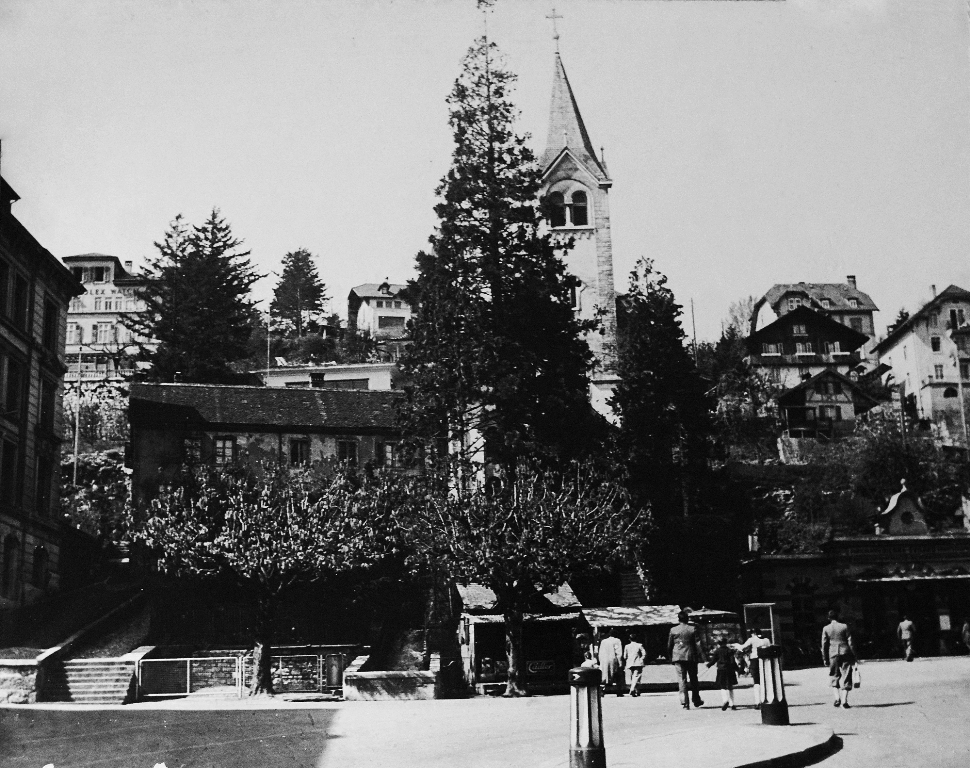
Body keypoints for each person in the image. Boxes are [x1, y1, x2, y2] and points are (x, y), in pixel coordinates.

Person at [822, 609, 859, 708]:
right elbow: (850, 642)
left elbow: (824, 644)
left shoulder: (826, 628)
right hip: (845, 652)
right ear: (838, 617)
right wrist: (854, 655)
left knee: (834, 675)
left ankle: (837, 698)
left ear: (829, 618)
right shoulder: (845, 626)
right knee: (847, 675)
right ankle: (844, 700)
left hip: (833, 653)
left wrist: (825, 658)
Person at [668, 610, 704, 709]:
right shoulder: (692, 629)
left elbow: (669, 645)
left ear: (678, 619)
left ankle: (684, 702)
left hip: (678, 657)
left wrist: (671, 657)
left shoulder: (673, 630)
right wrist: (702, 656)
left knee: (681, 680)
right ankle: (696, 700)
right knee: (693, 679)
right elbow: (698, 644)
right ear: (687, 619)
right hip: (691, 657)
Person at [738, 627, 770, 708]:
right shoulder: (766, 640)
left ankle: (757, 702)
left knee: (756, 682)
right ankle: (765, 699)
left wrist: (736, 646)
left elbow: (742, 647)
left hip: (755, 660)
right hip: (765, 660)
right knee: (764, 681)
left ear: (753, 633)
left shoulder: (751, 639)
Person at [707, 636, 738, 711]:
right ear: (726, 643)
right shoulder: (729, 651)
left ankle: (725, 700)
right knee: (730, 686)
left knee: (722, 686)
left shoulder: (717, 651)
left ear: (719, 643)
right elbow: (732, 661)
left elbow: (714, 660)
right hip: (730, 670)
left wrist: (708, 665)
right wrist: (737, 669)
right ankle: (732, 704)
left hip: (721, 670)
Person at [597, 628, 625, 696]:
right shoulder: (617, 641)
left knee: (604, 675)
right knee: (617, 675)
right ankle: (619, 691)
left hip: (604, 660)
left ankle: (602, 690)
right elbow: (618, 652)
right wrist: (620, 663)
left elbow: (600, 652)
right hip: (613, 660)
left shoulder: (603, 641)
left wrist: (600, 661)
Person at [624, 632, 646, 697]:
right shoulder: (639, 645)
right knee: (637, 676)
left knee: (633, 676)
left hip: (630, 663)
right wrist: (641, 658)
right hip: (638, 662)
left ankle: (636, 690)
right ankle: (632, 689)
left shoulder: (627, 646)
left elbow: (625, 656)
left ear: (629, 639)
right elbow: (644, 653)